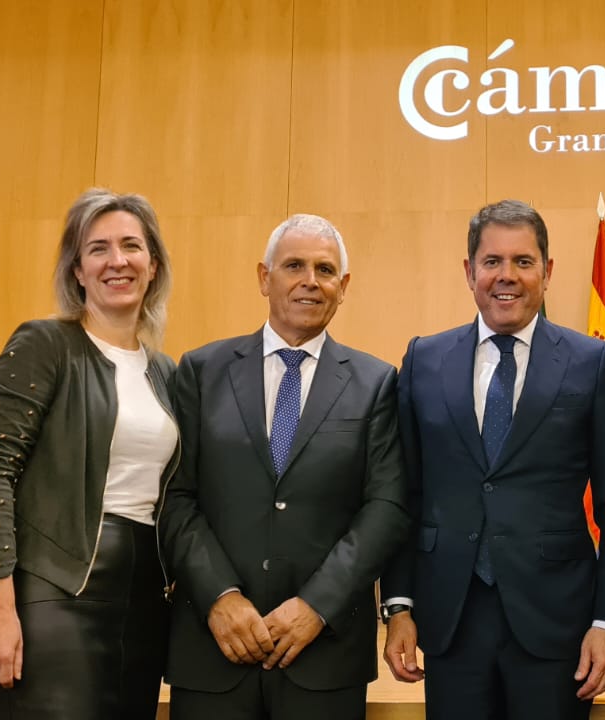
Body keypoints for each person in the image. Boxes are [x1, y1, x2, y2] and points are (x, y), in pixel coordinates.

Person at [379, 199, 605, 720]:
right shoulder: (424, 359)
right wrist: (399, 605)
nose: (507, 276)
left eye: (523, 261)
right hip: (449, 620)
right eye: (492, 261)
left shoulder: (591, 362)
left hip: (557, 622)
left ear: (548, 271)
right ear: (469, 271)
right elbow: (404, 494)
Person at [158, 214, 409, 720]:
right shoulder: (201, 371)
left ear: (344, 287)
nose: (310, 281)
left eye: (325, 270)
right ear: (263, 277)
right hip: (213, 646)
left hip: (324, 653)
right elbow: (175, 497)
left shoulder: (376, 382)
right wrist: (220, 597)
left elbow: (386, 506)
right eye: (294, 266)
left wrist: (317, 605)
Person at [0, 188, 178, 719]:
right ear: (78, 270)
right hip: (54, 591)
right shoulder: (45, 344)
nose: (117, 261)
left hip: (143, 600)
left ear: (153, 265)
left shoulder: (166, 372)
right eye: (98, 249)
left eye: (131, 246)